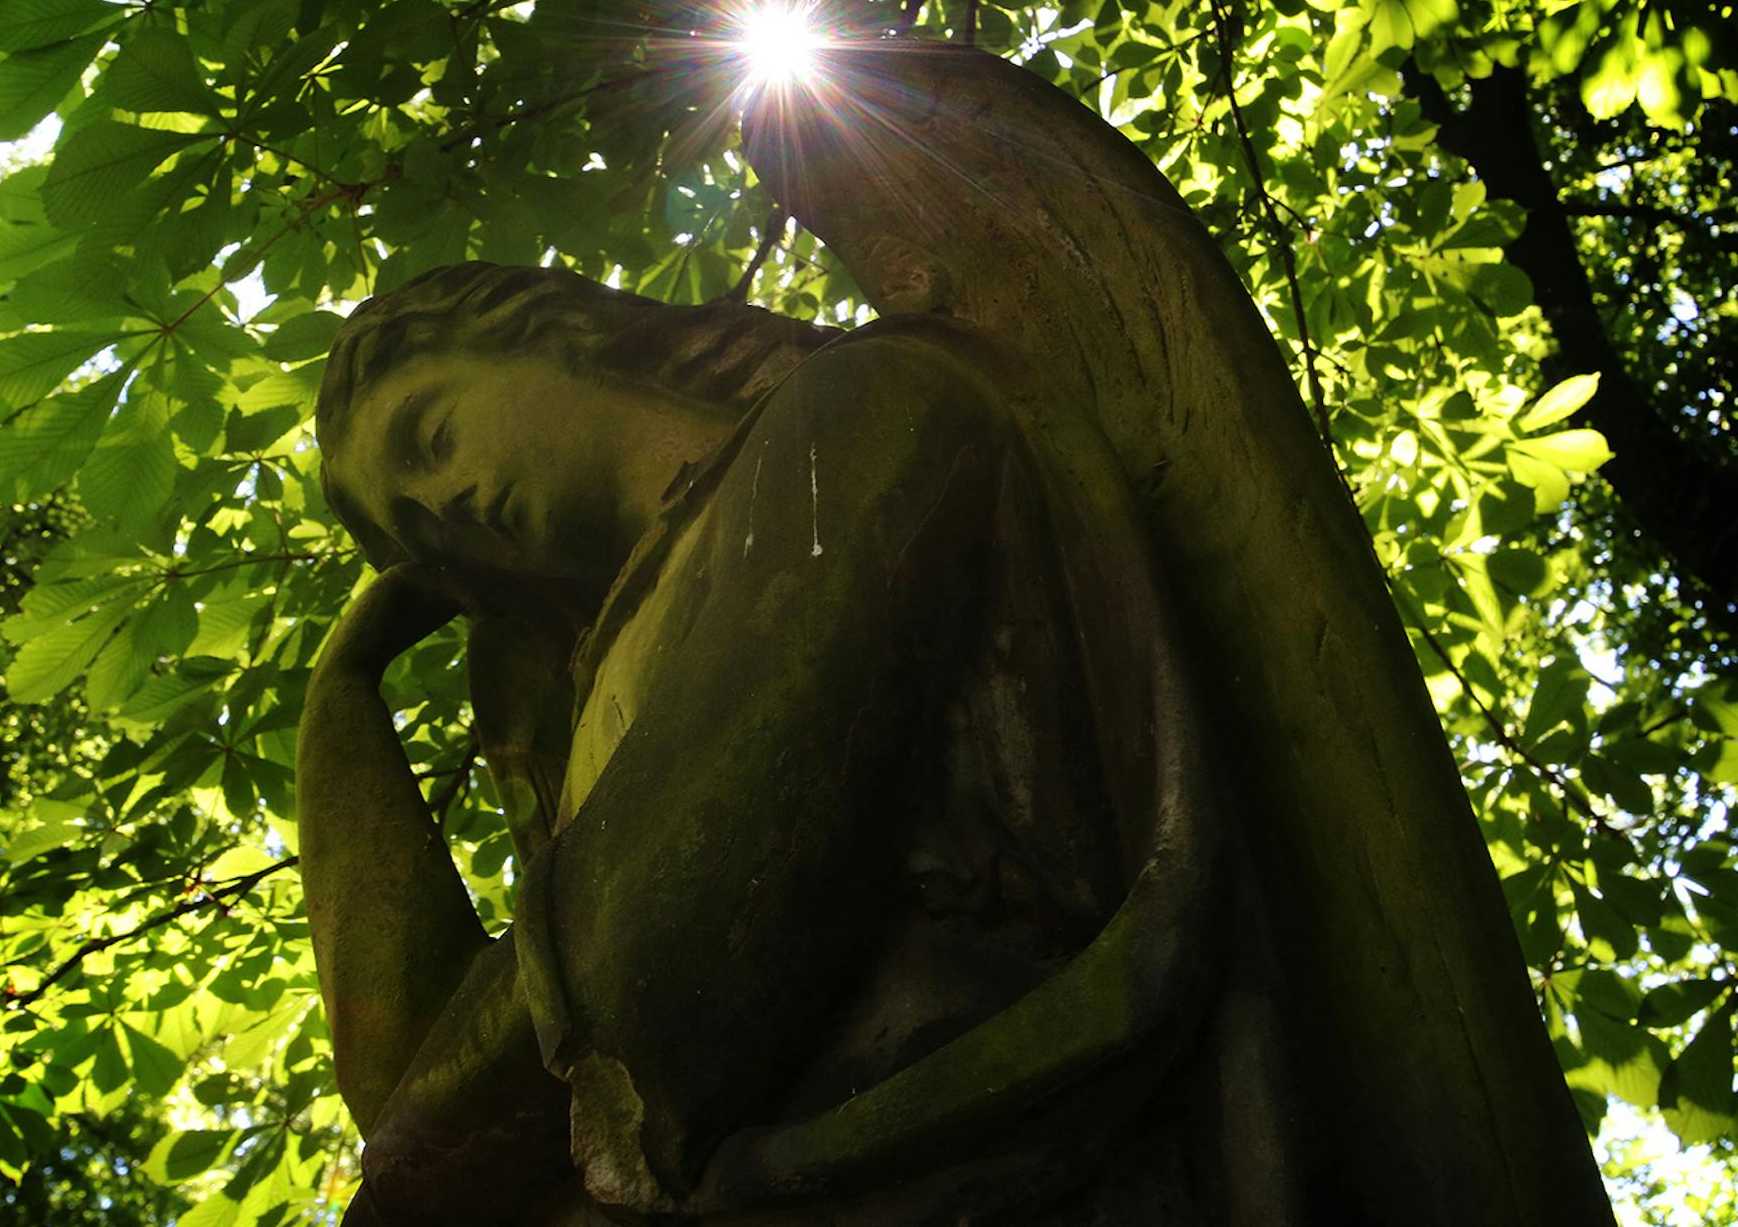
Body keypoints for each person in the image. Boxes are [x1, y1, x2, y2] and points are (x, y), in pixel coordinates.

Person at [301, 262, 1238, 1224]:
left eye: (432, 436)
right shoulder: (589, 699)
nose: (445, 508)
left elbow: (653, 962)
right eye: (415, 529)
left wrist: (432, 1144)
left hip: (978, 1141)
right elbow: (413, 1102)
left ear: (548, 334)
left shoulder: (860, 408)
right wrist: (340, 707)